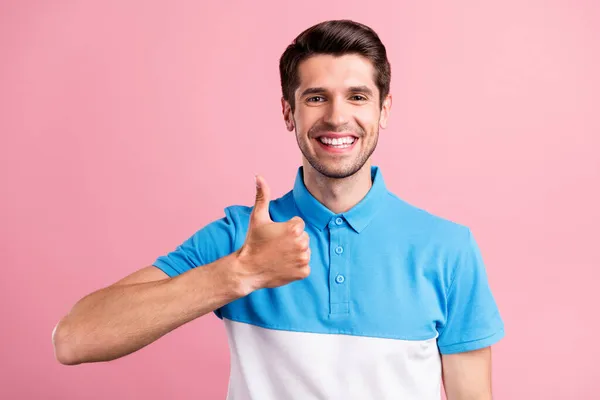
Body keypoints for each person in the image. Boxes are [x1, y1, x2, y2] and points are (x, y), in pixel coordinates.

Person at [52, 19, 505, 399]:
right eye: (315, 97)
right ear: (289, 113)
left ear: (384, 110)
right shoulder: (241, 237)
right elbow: (74, 339)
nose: (336, 116)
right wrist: (241, 273)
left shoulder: (448, 248)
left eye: (358, 96)